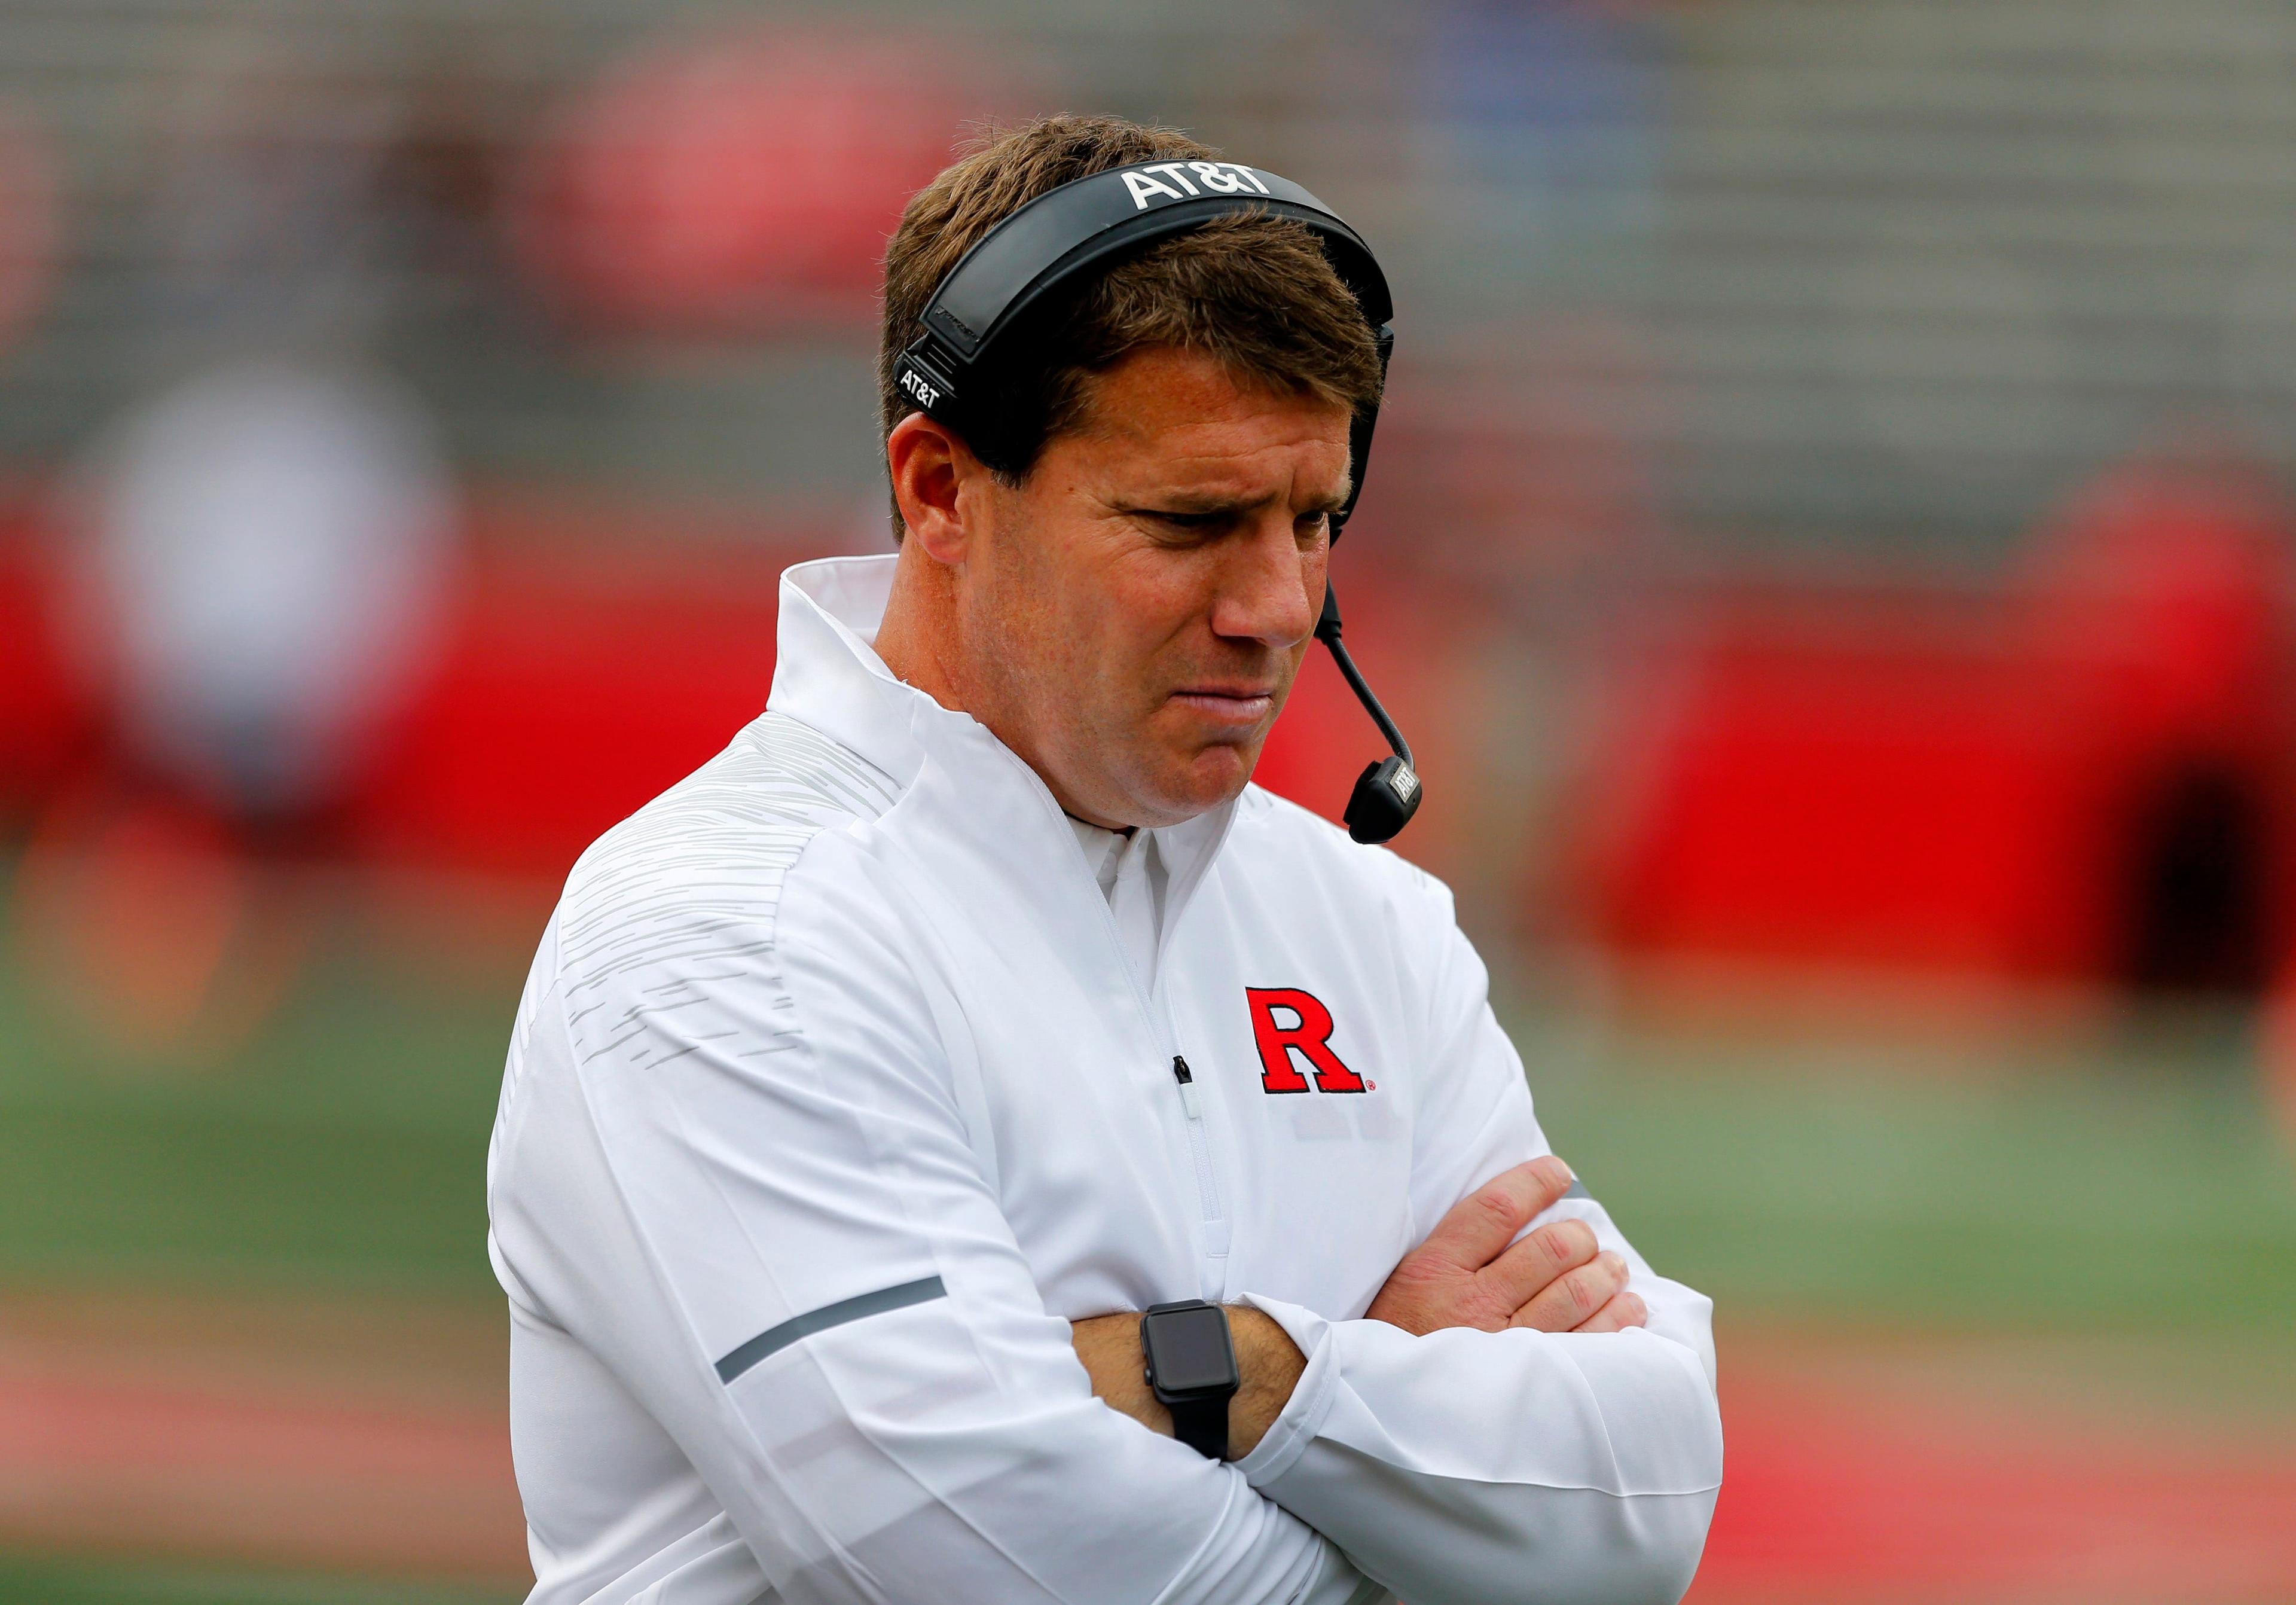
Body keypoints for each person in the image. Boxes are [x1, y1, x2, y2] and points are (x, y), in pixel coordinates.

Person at [486, 114, 1721, 1605]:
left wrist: (1239, 1375)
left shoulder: (1367, 921)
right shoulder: (726, 929)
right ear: (941, 491)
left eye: (1315, 518)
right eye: (1192, 521)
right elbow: (995, 1562)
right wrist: (1412, 1450)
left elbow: (1642, 1496)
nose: (1276, 603)